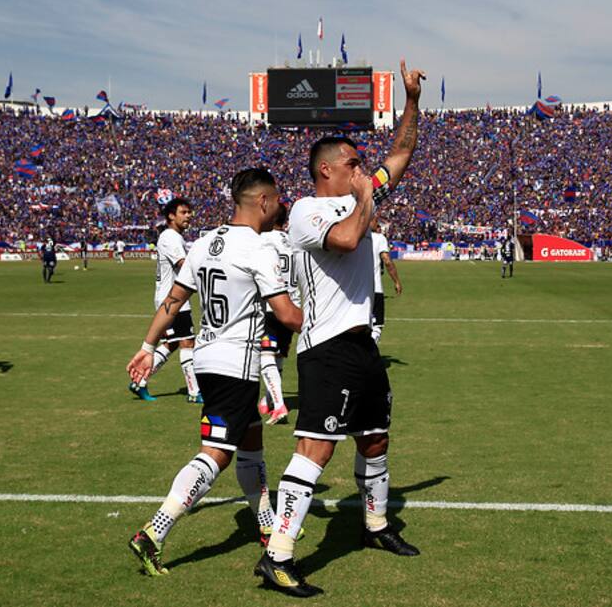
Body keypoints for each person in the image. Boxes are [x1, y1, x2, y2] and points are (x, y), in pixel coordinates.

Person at [258, 59, 425, 597]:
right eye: (353, 163)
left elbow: (400, 155)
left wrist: (413, 102)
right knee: (316, 450)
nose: (363, 168)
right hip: (326, 348)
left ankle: (375, 526)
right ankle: (278, 554)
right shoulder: (308, 210)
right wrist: (367, 193)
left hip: (364, 344)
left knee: (375, 439)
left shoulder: (355, 193)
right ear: (327, 169)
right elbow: (351, 239)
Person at [125, 168, 303, 577]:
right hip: (234, 365)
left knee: (251, 439)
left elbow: (173, 300)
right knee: (217, 453)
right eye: (276, 199)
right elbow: (287, 314)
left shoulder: (205, 242)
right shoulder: (258, 249)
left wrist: (148, 347)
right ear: (262, 202)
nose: (278, 206)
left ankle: (265, 523)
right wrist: (328, 325)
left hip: (206, 358)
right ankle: (155, 530)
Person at [130, 198, 200, 403]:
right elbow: (184, 265)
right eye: (184, 212)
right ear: (171, 215)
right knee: (188, 341)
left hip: (172, 297)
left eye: (189, 212)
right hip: (172, 299)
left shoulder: (174, 236)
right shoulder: (170, 237)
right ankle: (194, 392)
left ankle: (140, 381)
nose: (188, 216)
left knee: (172, 343)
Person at [258, 202, 298, 424]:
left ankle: (279, 404)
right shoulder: (292, 241)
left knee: (265, 356)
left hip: (271, 306)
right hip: (292, 306)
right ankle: (268, 400)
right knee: (278, 356)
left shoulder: (264, 240)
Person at [370, 217, 401, 345]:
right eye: (375, 221)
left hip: (355, 291)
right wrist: (397, 281)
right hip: (375, 289)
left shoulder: (355, 239)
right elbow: (387, 261)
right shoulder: (379, 238)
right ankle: (369, 354)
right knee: (377, 326)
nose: (378, 224)